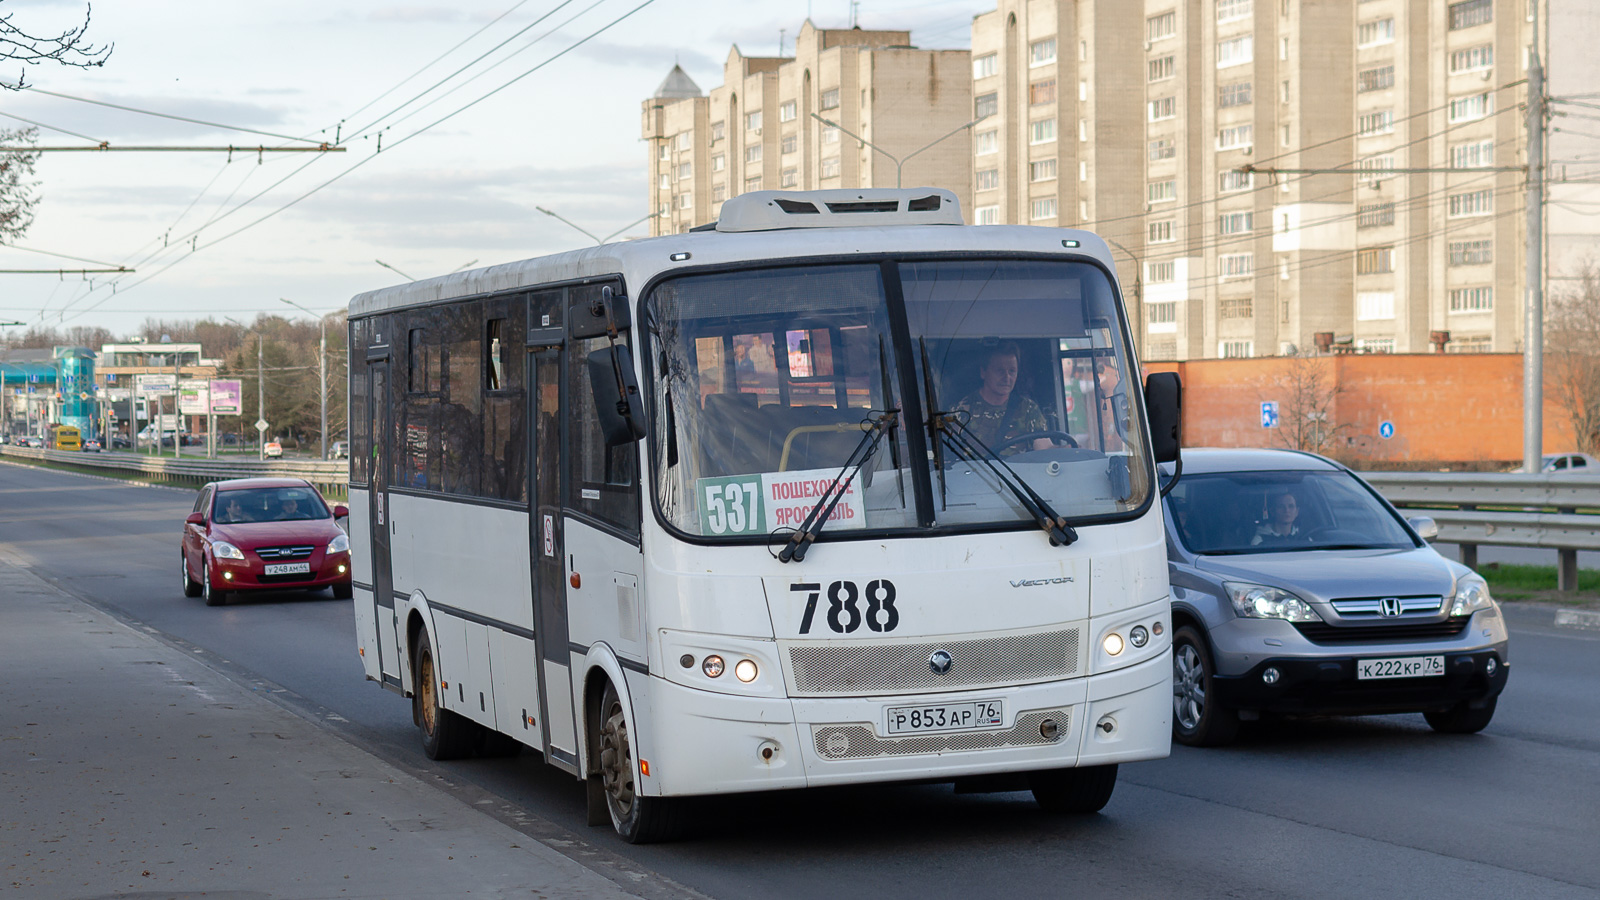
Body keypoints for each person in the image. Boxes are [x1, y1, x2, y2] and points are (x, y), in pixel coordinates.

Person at [953, 342, 1051, 453]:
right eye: (1000, 370)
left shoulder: (1028, 409)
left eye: (1012, 371)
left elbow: (1045, 450)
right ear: (983, 372)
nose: (1007, 377)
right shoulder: (963, 409)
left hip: (1017, 471)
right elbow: (947, 455)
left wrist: (1068, 449)